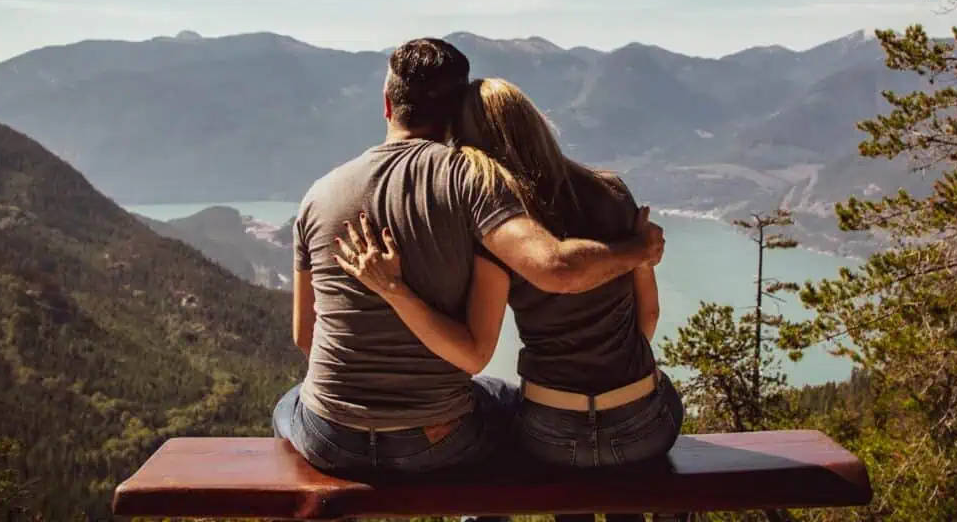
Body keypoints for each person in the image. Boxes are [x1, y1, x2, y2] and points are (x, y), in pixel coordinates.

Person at [273, 40, 666, 481]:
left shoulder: (317, 196)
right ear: (457, 111)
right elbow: (549, 276)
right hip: (437, 437)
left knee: (288, 404)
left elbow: (306, 336)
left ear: (387, 104)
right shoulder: (472, 182)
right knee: (501, 401)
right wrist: (640, 251)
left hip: (330, 436)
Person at [335, 77, 684, 522]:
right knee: (652, 417)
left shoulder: (501, 231)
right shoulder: (612, 193)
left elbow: (477, 344)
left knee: (524, 435)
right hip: (640, 422)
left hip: (553, 427)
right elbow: (647, 317)